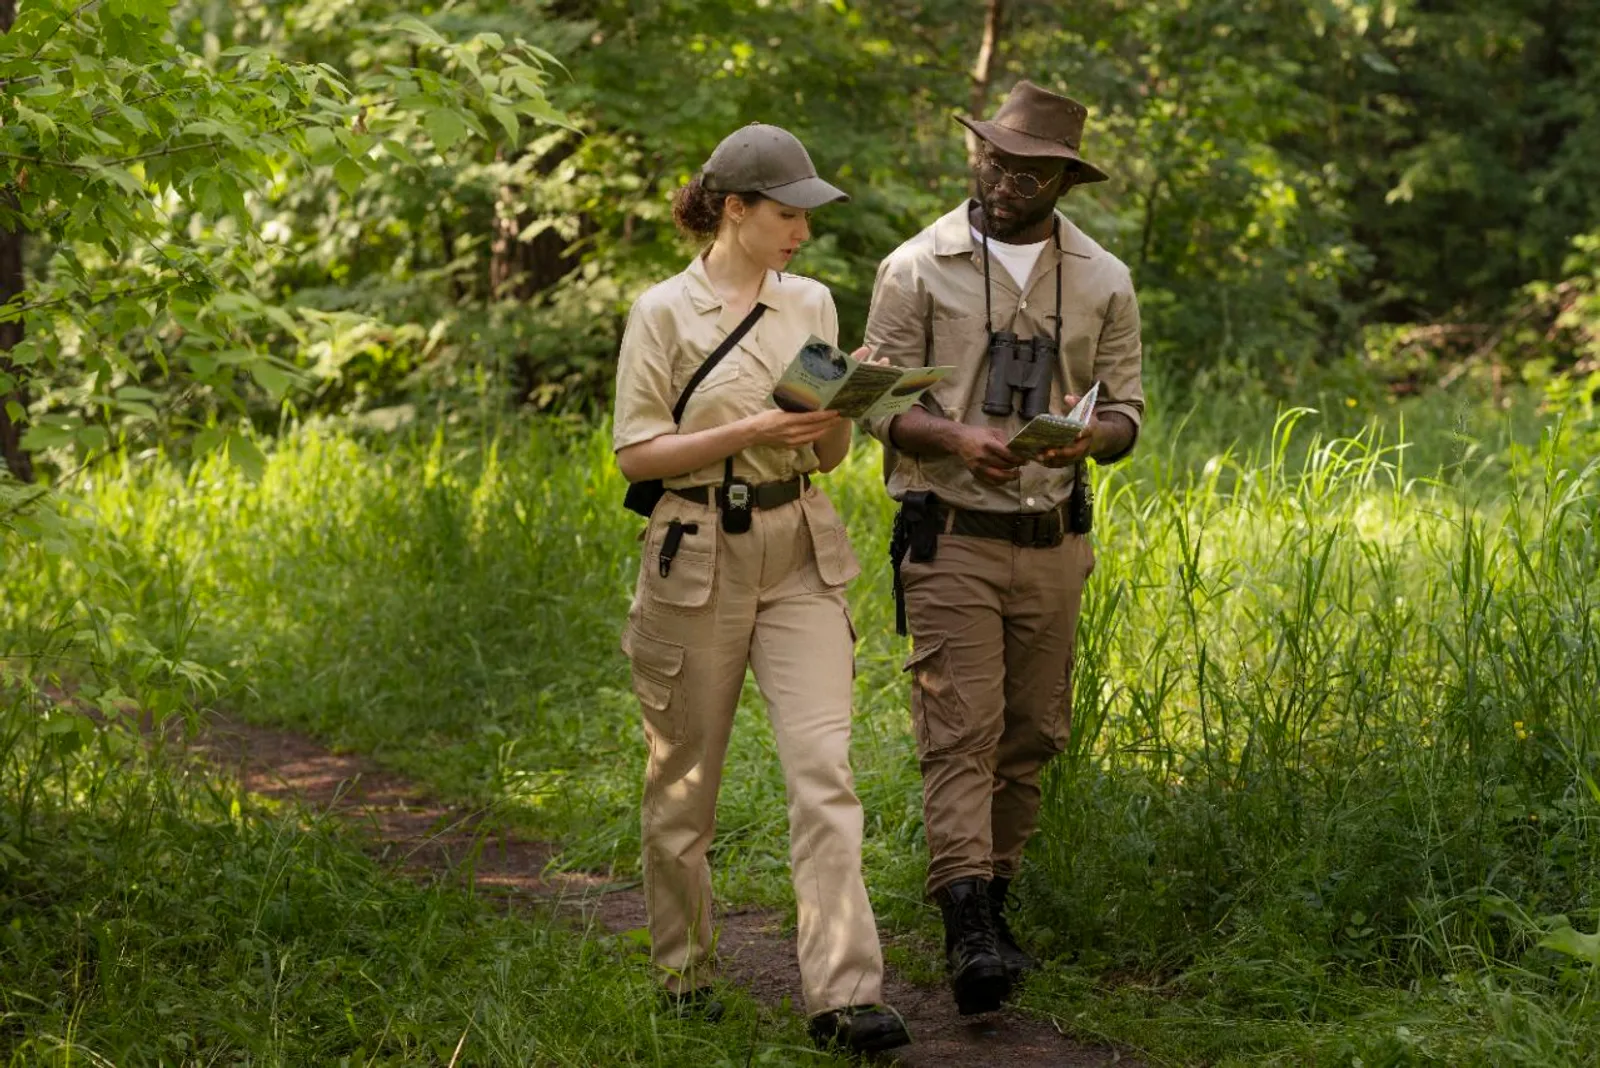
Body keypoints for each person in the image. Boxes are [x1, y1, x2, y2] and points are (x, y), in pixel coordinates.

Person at [612, 123, 909, 1056]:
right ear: (733, 209)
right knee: (683, 784)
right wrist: (742, 432)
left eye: (804, 219)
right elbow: (635, 451)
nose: (800, 235)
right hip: (695, 550)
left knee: (824, 773)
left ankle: (844, 994)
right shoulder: (663, 311)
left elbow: (827, 451)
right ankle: (685, 971)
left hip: (801, 551)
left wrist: (835, 417)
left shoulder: (813, 302)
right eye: (785, 216)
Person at [861, 81, 1145, 1015]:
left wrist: (1086, 441)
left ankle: (998, 894)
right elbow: (870, 402)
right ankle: (967, 921)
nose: (1005, 178)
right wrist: (955, 440)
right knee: (960, 730)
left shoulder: (1103, 277)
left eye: (1029, 170)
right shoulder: (914, 266)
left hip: (1053, 538)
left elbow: (1128, 413)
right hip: (949, 536)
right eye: (994, 158)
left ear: (1064, 179)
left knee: (1032, 734)